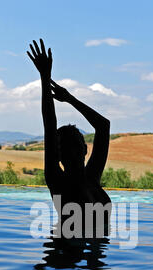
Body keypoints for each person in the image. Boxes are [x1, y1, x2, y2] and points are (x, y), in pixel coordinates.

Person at [27, 39, 111, 237]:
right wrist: (45, 77)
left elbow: (103, 126)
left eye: (76, 144)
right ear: (59, 154)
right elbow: (49, 123)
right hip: (64, 257)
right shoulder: (57, 180)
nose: (73, 150)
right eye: (66, 146)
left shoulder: (92, 176)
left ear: (85, 149)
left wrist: (70, 98)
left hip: (93, 262)